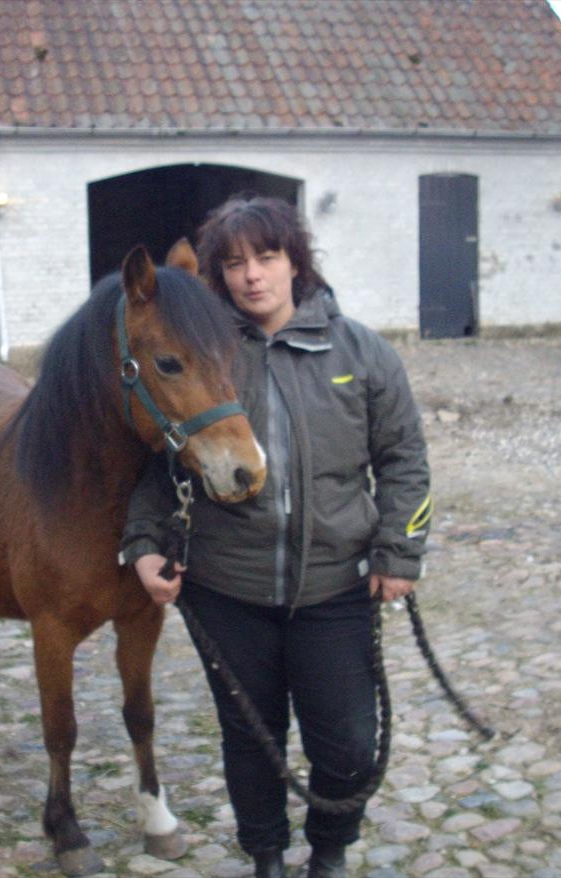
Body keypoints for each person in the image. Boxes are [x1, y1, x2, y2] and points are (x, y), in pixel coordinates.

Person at [120, 195, 431, 878]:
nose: (251, 276)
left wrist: (399, 551)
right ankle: (265, 855)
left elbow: (405, 458)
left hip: (336, 585)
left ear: (296, 261)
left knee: (348, 740)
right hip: (228, 585)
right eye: (232, 263)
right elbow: (160, 460)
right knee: (251, 738)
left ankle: (328, 850)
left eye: (266, 256)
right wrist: (143, 544)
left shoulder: (361, 352)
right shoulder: (206, 351)